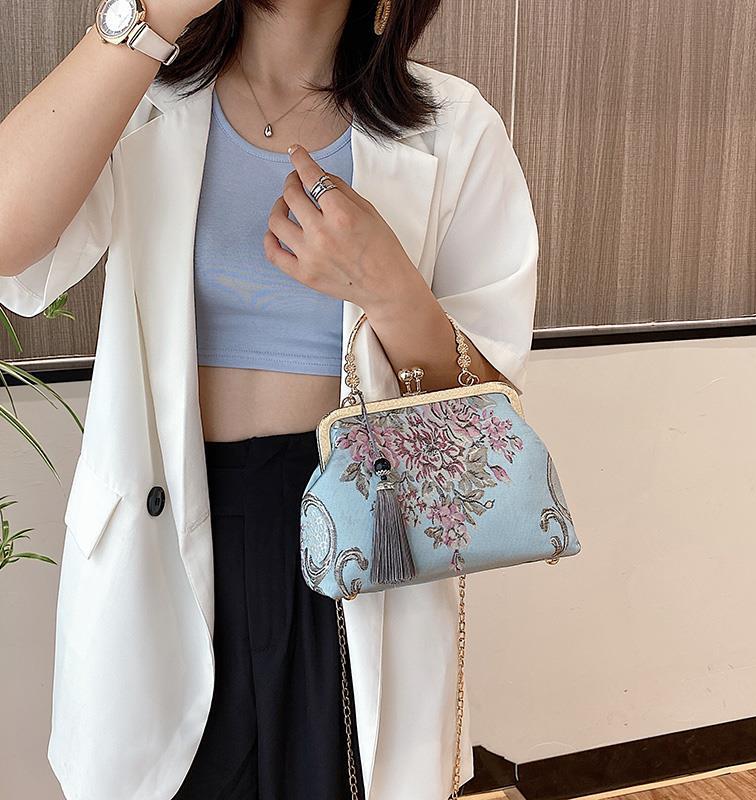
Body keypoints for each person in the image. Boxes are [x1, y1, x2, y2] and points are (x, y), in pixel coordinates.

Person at [0, 1, 539, 798]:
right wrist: (151, 17)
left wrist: (390, 290)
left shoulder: (452, 126)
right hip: (170, 536)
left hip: (357, 542)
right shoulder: (143, 95)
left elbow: (486, 422)